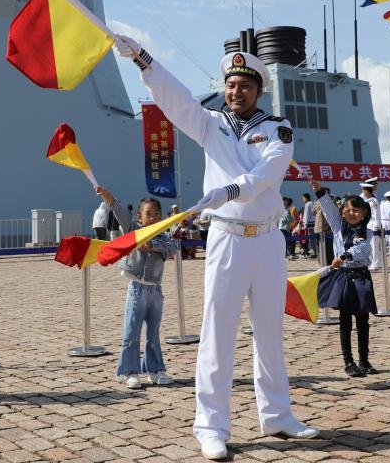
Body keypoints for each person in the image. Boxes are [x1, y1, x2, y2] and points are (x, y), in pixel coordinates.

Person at [115, 40, 318, 460]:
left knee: (269, 332)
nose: (235, 92)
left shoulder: (278, 128)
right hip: (226, 238)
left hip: (266, 238)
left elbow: (268, 173)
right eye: (230, 85)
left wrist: (227, 190)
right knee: (217, 334)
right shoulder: (210, 124)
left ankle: (277, 414)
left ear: (258, 90)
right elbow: (176, 100)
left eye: (244, 85)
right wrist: (142, 59)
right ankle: (210, 426)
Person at [100, 187, 178, 389]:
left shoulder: (163, 236)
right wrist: (109, 198)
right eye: (148, 214)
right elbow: (119, 212)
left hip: (155, 291)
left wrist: (153, 247)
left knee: (154, 333)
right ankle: (130, 371)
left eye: (157, 214)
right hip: (137, 289)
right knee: (132, 332)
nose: (153, 218)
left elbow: (172, 249)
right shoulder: (133, 230)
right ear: (139, 216)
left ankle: (155, 369)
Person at [311, 181, 378, 377]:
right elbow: (329, 208)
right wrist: (319, 191)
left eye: (356, 210)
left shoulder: (368, 231)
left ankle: (364, 360)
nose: (351, 213)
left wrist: (345, 256)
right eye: (347, 210)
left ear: (364, 213)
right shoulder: (337, 226)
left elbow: (364, 248)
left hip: (361, 277)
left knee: (363, 321)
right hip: (345, 278)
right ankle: (348, 361)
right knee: (345, 321)